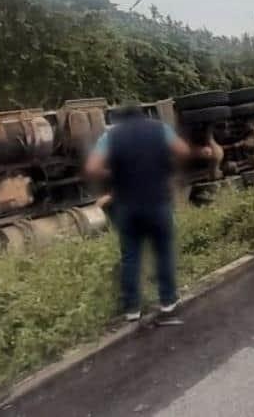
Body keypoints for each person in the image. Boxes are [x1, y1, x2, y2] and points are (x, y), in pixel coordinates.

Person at [86, 104, 210, 325]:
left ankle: (132, 310)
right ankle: (168, 304)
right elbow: (182, 151)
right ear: (143, 115)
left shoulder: (111, 135)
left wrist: (117, 173)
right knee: (163, 252)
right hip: (157, 201)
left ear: (118, 120)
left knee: (130, 257)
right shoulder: (158, 128)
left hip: (127, 205)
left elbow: (93, 167)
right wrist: (165, 167)